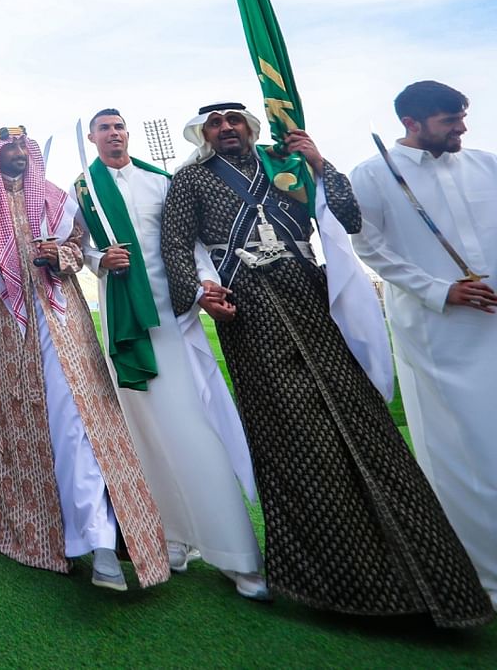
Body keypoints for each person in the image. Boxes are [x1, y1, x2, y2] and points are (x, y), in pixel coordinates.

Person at [160, 101, 492, 627]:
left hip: (313, 298)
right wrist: (200, 293)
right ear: (204, 133)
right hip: (248, 311)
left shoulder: (286, 164)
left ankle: (430, 579)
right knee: (291, 434)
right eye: (215, 124)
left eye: (234, 120)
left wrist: (320, 164)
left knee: (366, 427)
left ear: (249, 126)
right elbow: (175, 244)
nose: (225, 128)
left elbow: (347, 216)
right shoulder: (189, 181)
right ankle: (332, 580)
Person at [0, 126, 169, 591]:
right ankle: (36, 539)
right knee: (27, 433)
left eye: (22, 148)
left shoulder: (53, 197)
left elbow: (79, 249)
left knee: (78, 424)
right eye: (7, 149)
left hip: (63, 324)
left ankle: (101, 543)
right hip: (8, 337)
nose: (17, 155)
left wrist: (60, 255)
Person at [73, 109, 265, 599]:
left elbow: (193, 244)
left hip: (173, 314)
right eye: (104, 128)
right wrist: (100, 260)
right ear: (94, 138)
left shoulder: (162, 181)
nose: (114, 133)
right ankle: (172, 537)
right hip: (126, 320)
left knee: (192, 428)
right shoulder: (84, 189)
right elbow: (82, 248)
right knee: (145, 434)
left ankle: (237, 555)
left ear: (127, 134)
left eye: (119, 126)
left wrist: (207, 286)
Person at [351, 80, 497, 607]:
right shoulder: (371, 175)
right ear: (412, 124)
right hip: (438, 330)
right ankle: (484, 573)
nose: (460, 127)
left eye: (462, 116)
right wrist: (442, 290)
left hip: (494, 322)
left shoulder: (486, 164)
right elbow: (370, 248)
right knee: (467, 447)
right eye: (448, 120)